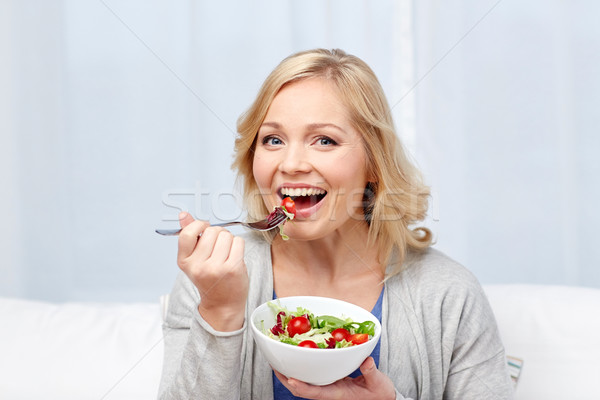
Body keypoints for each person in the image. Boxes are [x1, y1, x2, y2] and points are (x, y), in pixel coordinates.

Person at [158, 48, 514, 400]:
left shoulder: (447, 294)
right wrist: (220, 313)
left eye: (324, 140)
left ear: (374, 163)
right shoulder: (210, 282)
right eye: (273, 140)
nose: (292, 163)